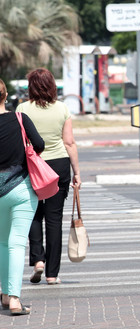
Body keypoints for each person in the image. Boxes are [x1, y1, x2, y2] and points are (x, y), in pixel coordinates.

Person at [16, 68, 81, 285]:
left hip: (33, 165)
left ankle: (38, 260)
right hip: (59, 166)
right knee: (54, 219)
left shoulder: (22, 109)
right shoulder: (62, 108)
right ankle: (52, 274)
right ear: (52, 85)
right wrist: (77, 173)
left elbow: (20, 141)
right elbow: (69, 142)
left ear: (31, 86)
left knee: (33, 213)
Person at [0, 79, 45, 315]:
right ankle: (15, 299)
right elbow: (39, 145)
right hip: (21, 189)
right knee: (17, 243)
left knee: (2, 243)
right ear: (5, 95)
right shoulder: (19, 118)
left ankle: (5, 295)